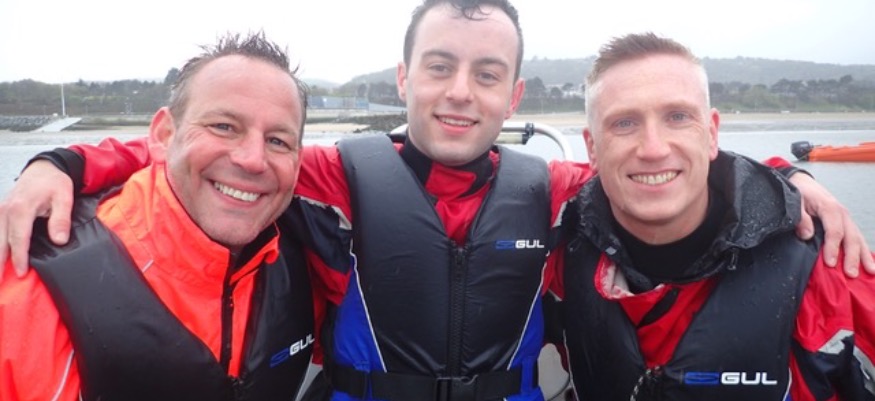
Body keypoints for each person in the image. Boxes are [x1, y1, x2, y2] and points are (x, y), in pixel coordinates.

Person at [0, 2, 872, 401]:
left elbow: (664, 172)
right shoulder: (327, 176)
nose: (460, 91)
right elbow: (221, 151)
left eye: (486, 74)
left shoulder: (557, 190)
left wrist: (785, 180)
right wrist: (66, 158)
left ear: (514, 94)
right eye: (440, 67)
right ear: (403, 78)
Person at [553, 32, 875, 401]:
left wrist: (788, 177)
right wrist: (787, 173)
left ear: (711, 133)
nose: (653, 149)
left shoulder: (830, 267)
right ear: (592, 148)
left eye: (677, 117)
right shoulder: (556, 229)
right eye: (624, 123)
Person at [0, 32, 316, 401]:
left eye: (278, 140)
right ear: (164, 134)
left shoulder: (313, 250)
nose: (252, 160)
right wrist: (57, 162)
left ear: (298, 159)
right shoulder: (34, 287)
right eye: (224, 127)